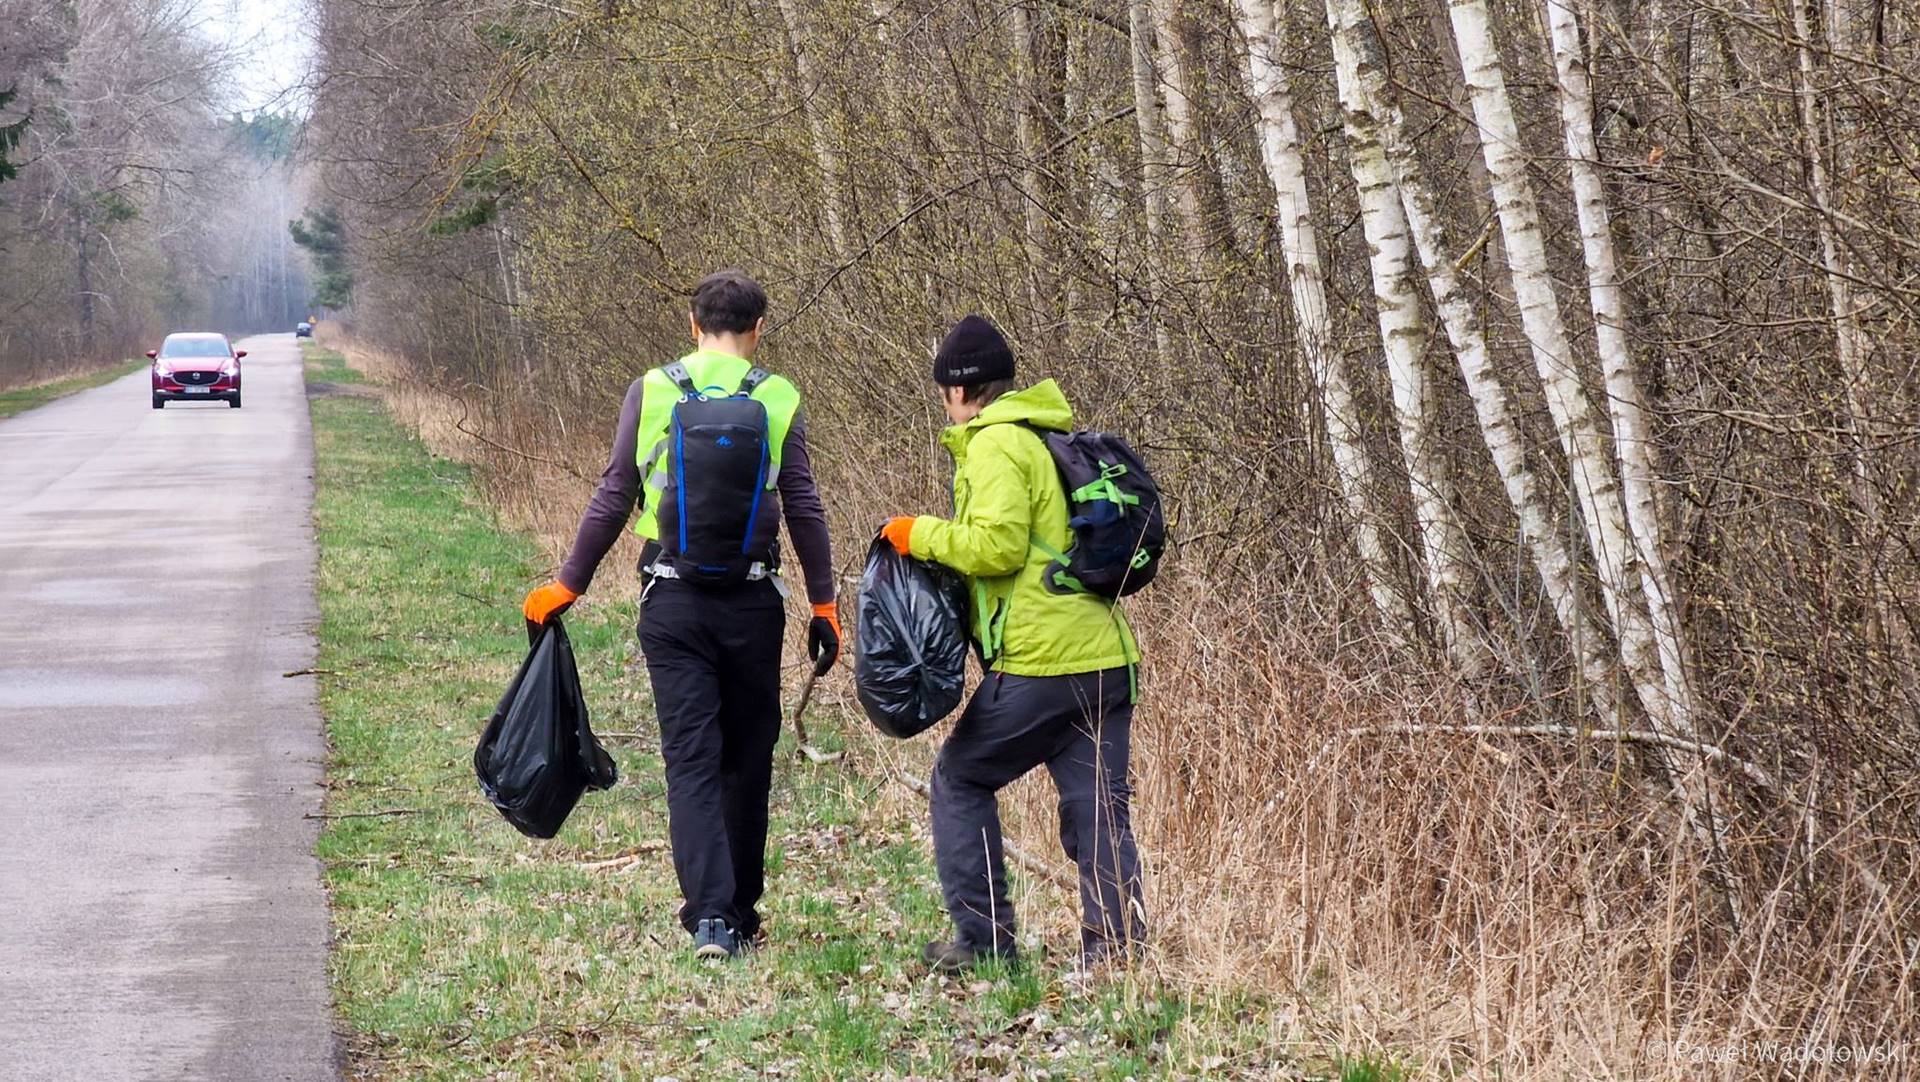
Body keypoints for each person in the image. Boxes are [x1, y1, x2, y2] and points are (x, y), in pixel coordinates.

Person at [522, 270, 840, 960]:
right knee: (748, 756)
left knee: (691, 757)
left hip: (671, 599)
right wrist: (824, 603)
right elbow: (805, 507)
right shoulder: (779, 396)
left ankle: (710, 920)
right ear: (758, 331)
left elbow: (614, 494)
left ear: (693, 326)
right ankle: (743, 911)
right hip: (755, 603)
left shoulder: (654, 387)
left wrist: (566, 585)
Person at [880, 314, 1145, 974]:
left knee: (960, 778)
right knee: (1100, 814)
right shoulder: (1044, 436)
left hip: (1042, 661)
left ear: (959, 391)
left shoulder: (997, 445)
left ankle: (984, 943)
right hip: (1106, 658)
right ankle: (1116, 953)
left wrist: (917, 534)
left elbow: (995, 547)